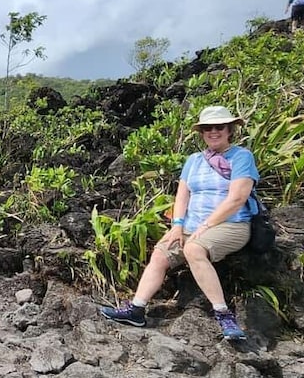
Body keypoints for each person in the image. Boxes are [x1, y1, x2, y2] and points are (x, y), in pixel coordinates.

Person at [100, 106, 260, 340]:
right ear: (201, 133)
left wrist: (205, 226)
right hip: (191, 226)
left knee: (194, 249)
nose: (213, 132)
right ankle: (136, 309)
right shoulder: (194, 160)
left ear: (230, 130)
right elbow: (182, 195)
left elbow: (237, 198)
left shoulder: (241, 157)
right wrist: (177, 226)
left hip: (231, 225)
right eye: (207, 128)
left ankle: (224, 314)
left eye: (219, 127)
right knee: (160, 254)